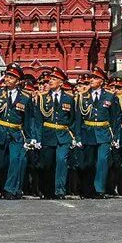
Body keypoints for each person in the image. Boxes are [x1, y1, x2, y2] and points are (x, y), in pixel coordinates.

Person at [0, 63, 36, 200]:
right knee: (1, 163)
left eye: (12, 77)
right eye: (7, 76)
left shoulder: (25, 97)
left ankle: (10, 189)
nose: (8, 79)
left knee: (15, 160)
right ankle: (4, 187)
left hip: (16, 133)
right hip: (0, 132)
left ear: (18, 80)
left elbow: (28, 119)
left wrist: (29, 138)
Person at [76, 66, 122, 199]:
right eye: (91, 77)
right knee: (88, 163)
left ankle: (99, 189)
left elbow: (115, 117)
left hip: (104, 133)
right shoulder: (83, 96)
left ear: (102, 81)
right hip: (88, 132)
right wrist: (78, 136)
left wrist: (115, 135)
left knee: (102, 160)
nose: (92, 80)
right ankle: (87, 188)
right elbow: (79, 118)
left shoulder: (109, 96)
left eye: (95, 78)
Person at [37, 68, 81, 199]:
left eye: (54, 79)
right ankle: (48, 190)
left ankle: (60, 190)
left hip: (63, 135)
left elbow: (73, 119)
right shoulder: (43, 98)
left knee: (62, 161)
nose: (50, 81)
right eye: (50, 79)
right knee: (48, 163)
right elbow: (39, 120)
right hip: (48, 134)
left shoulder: (69, 98)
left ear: (61, 83)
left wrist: (74, 136)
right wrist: (37, 138)